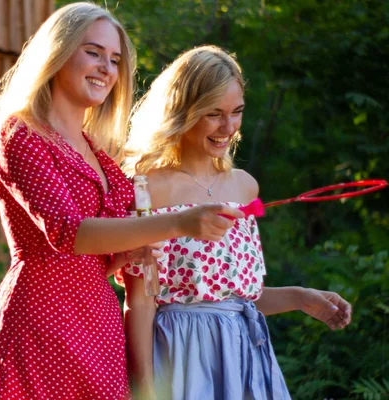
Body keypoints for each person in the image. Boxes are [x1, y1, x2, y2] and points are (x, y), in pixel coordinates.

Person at [0, 5, 245, 399]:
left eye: (115, 59)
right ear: (58, 53)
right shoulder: (21, 134)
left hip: (100, 328)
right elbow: (70, 233)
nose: (106, 67)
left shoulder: (100, 155)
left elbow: (100, 252)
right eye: (93, 52)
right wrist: (180, 222)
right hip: (42, 322)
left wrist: (127, 253)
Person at [120, 45, 352, 400]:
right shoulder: (150, 188)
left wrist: (300, 298)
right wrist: (146, 392)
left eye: (237, 112)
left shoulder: (245, 186)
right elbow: (141, 303)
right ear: (183, 110)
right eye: (214, 114)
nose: (228, 127)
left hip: (245, 358)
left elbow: (240, 299)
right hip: (183, 358)